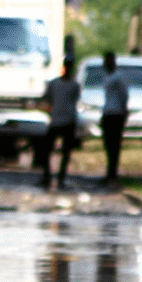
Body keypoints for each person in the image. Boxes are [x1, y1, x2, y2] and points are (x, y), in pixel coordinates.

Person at [39, 57, 81, 189]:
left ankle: (60, 178)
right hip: (57, 120)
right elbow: (47, 99)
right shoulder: (56, 83)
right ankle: (48, 176)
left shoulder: (74, 85)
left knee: (65, 152)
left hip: (68, 121)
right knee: (47, 150)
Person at [100, 51, 129, 185]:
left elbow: (124, 95)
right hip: (107, 112)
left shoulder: (119, 77)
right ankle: (109, 172)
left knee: (114, 145)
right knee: (108, 144)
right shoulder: (106, 77)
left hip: (116, 114)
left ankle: (113, 173)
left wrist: (124, 110)